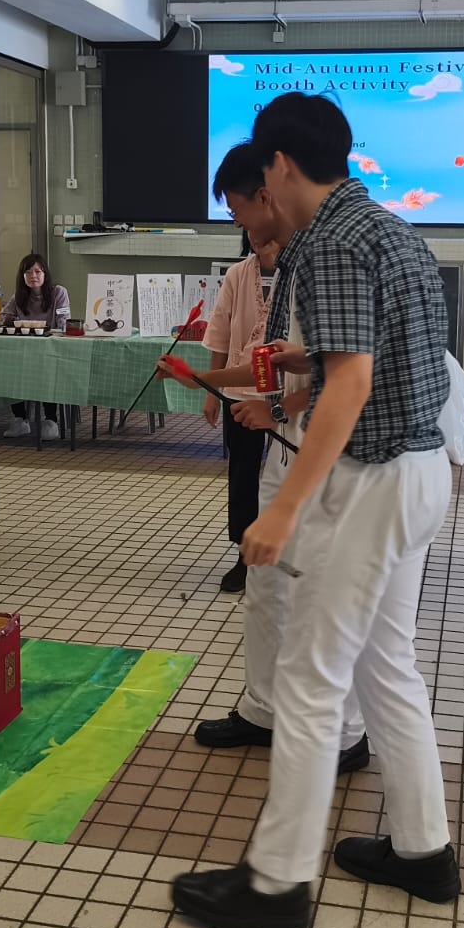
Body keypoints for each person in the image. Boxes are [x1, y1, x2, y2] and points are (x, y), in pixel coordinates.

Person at [173, 94, 456, 928]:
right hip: (422, 470)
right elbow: (368, 354)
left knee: (308, 676)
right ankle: (423, 850)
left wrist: (283, 510)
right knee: (386, 665)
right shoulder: (388, 227)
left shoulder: (330, 240)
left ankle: (277, 883)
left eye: (262, 170)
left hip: (372, 481)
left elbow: (354, 384)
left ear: (282, 165)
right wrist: (302, 357)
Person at [160, 141, 370, 775]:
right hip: (296, 436)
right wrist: (215, 377)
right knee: (267, 583)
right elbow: (301, 358)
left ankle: (347, 731)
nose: (239, 225)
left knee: (328, 594)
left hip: (339, 449)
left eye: (237, 211)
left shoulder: (339, 250)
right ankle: (263, 708)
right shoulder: (295, 255)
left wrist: (277, 408)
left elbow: (354, 374)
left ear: (270, 189)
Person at [202, 223, 274, 593]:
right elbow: (220, 333)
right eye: (252, 234)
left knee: (284, 473)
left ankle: (283, 552)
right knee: (243, 475)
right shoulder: (237, 274)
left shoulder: (300, 273)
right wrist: (212, 392)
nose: (259, 239)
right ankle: (244, 555)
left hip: (285, 393)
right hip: (239, 391)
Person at [0, 253, 70, 440]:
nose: (33, 276)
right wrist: (9, 320)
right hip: (24, 351)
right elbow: (2, 318)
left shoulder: (58, 292)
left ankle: (51, 420)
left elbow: (64, 323)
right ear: (22, 276)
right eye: (28, 272)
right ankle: (20, 419)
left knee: (47, 371)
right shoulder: (19, 296)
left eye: (38, 271)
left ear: (45, 273)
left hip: (51, 350)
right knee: (8, 368)